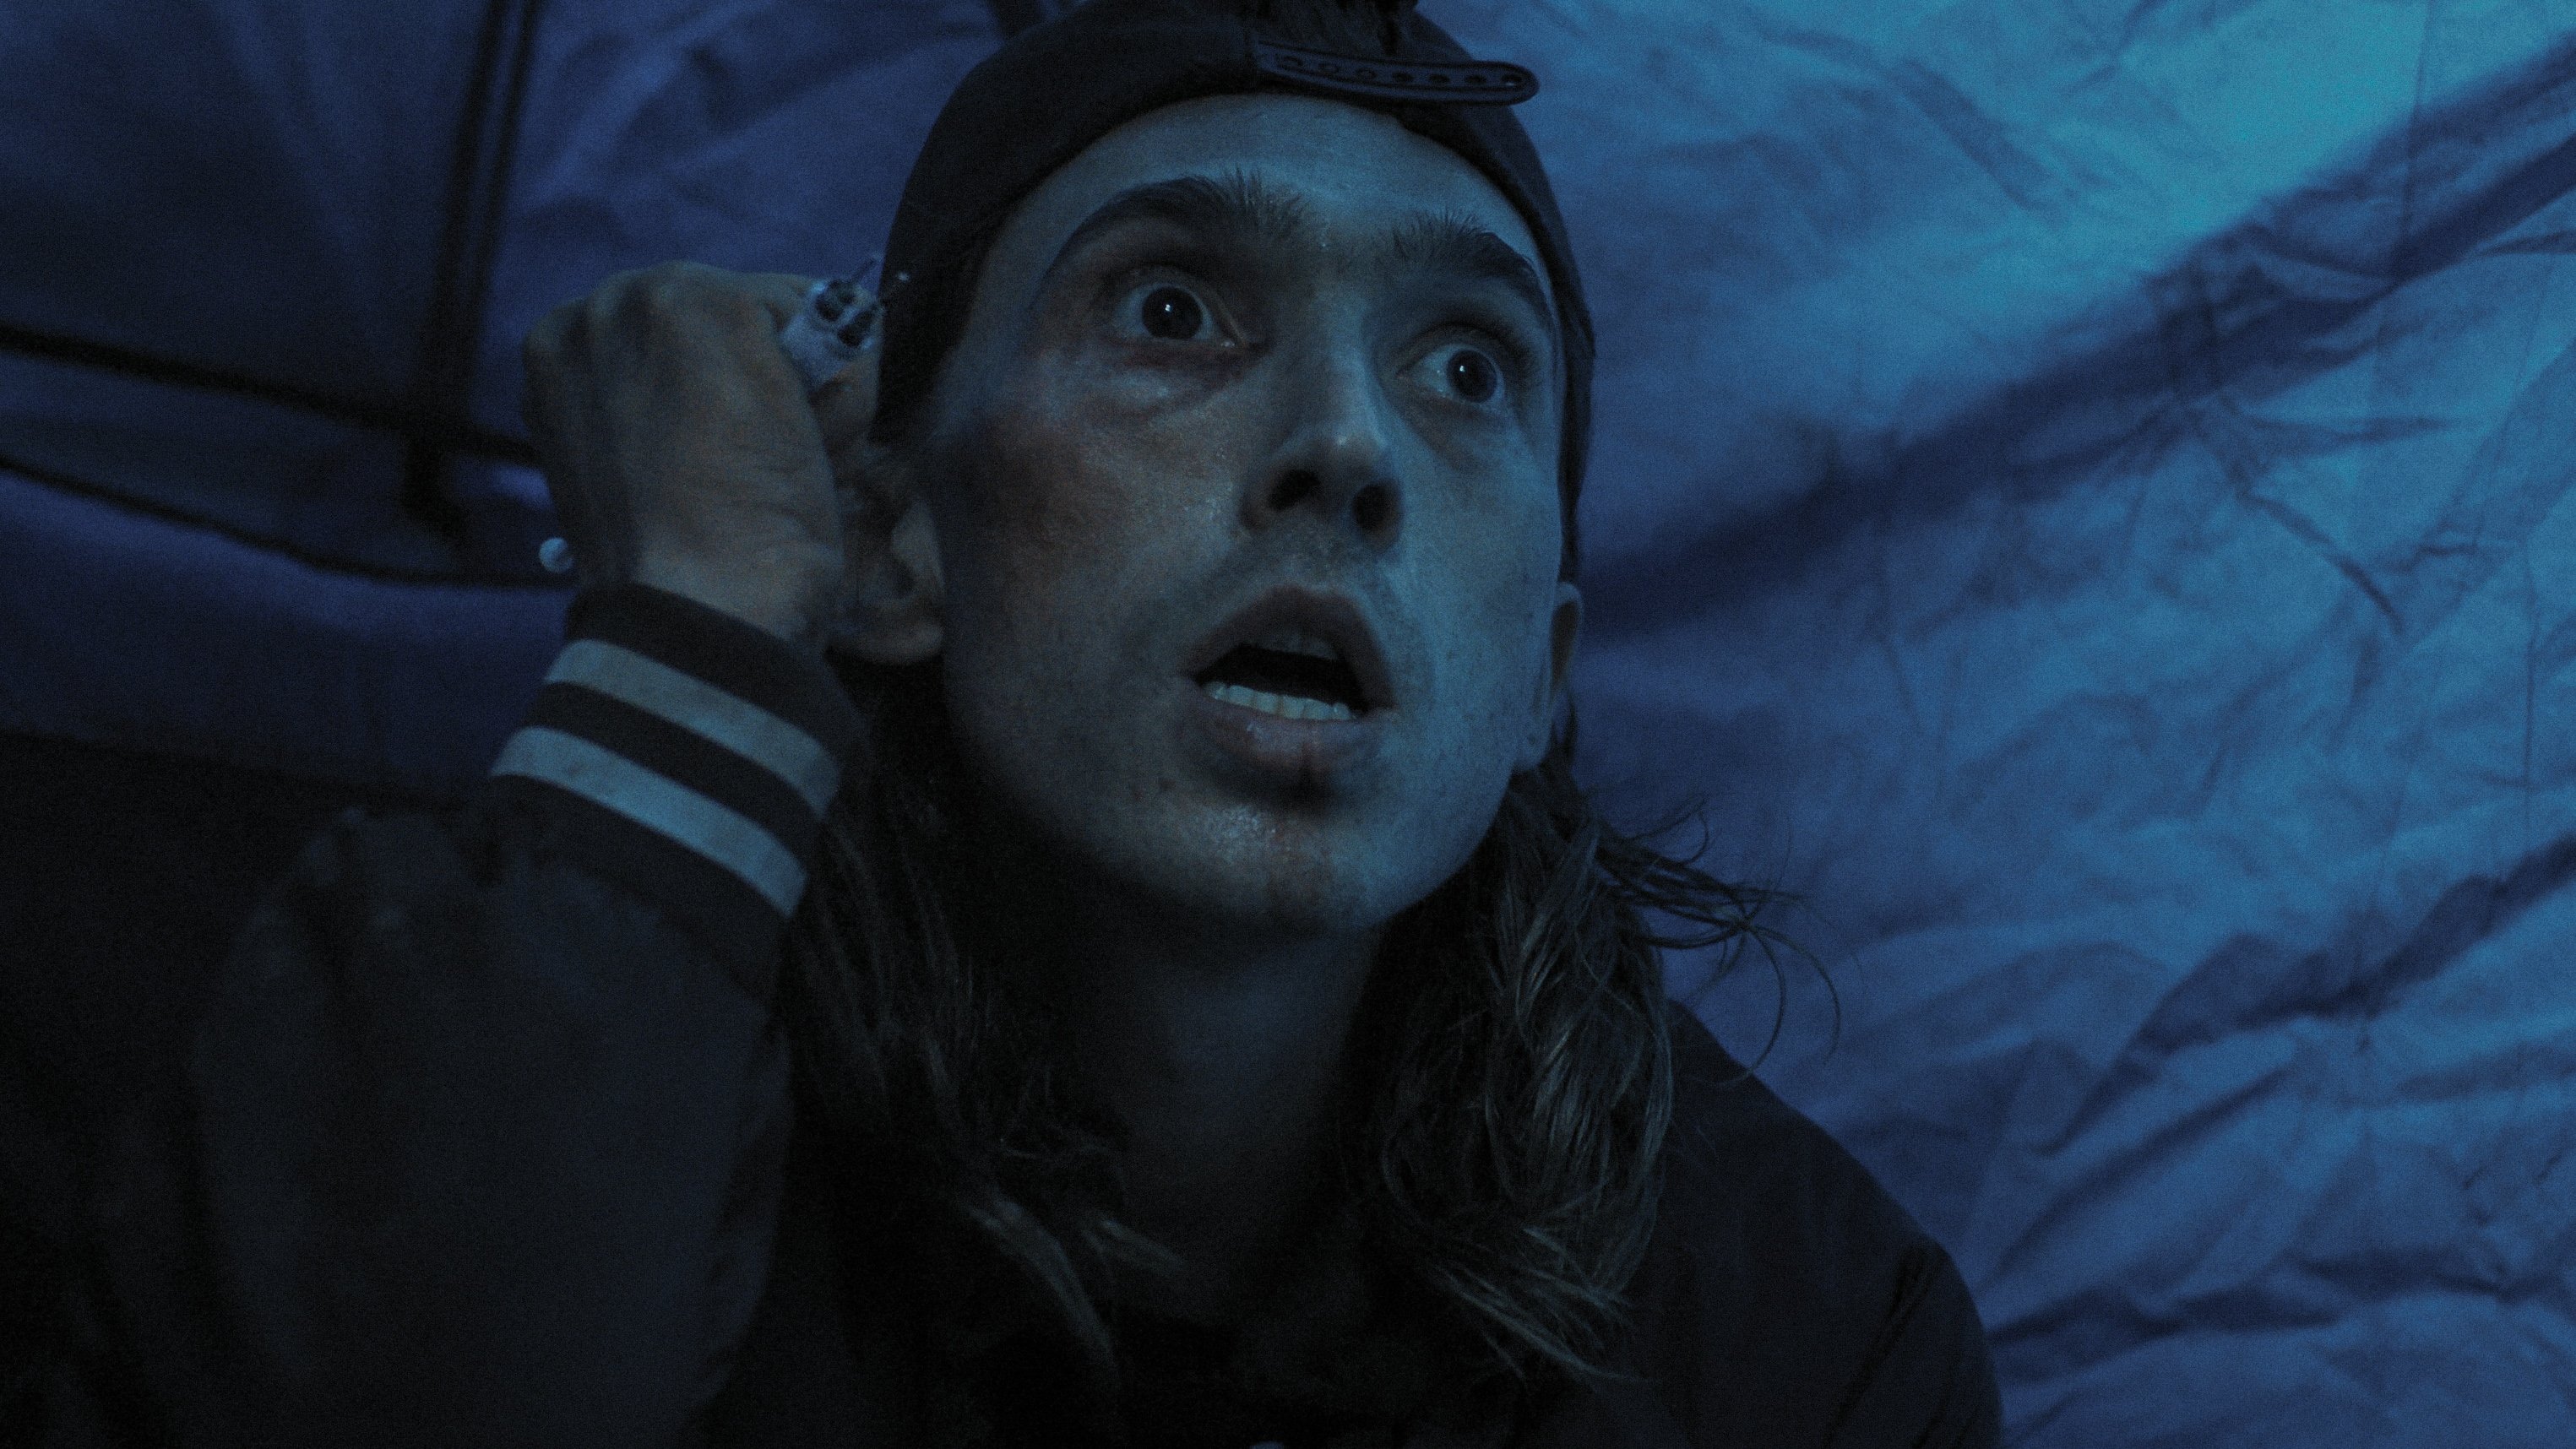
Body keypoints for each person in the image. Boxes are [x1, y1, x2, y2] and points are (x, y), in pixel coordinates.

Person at [36, 1, 2002, 1444]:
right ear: (892, 544)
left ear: (1539, 678)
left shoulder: (1801, 1350)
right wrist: (697, 625)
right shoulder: (494, 1056)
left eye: (1468, 367)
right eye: (1173, 313)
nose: (1344, 447)